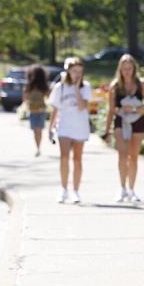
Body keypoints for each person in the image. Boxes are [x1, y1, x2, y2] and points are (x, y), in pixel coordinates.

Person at [104, 54, 144, 203]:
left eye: (129, 68)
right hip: (121, 121)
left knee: (133, 157)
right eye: (124, 68)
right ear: (120, 69)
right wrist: (106, 131)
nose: (126, 71)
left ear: (134, 69)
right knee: (123, 156)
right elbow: (111, 110)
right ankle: (122, 188)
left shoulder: (141, 84)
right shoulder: (115, 86)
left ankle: (132, 190)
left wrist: (134, 110)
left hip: (137, 121)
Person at [47, 57, 92, 204]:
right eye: (74, 71)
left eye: (80, 71)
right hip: (65, 126)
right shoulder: (60, 87)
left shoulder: (85, 86)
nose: (77, 74)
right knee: (64, 157)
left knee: (77, 159)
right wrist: (50, 126)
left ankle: (76, 191)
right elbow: (55, 108)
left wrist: (77, 87)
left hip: (80, 127)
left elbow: (82, 106)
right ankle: (63, 188)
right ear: (68, 71)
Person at [23, 65, 50, 157]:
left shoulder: (43, 86)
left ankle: (38, 147)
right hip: (33, 110)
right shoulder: (29, 85)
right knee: (36, 130)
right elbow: (24, 97)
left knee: (38, 130)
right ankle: (38, 147)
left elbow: (49, 96)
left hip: (40, 110)